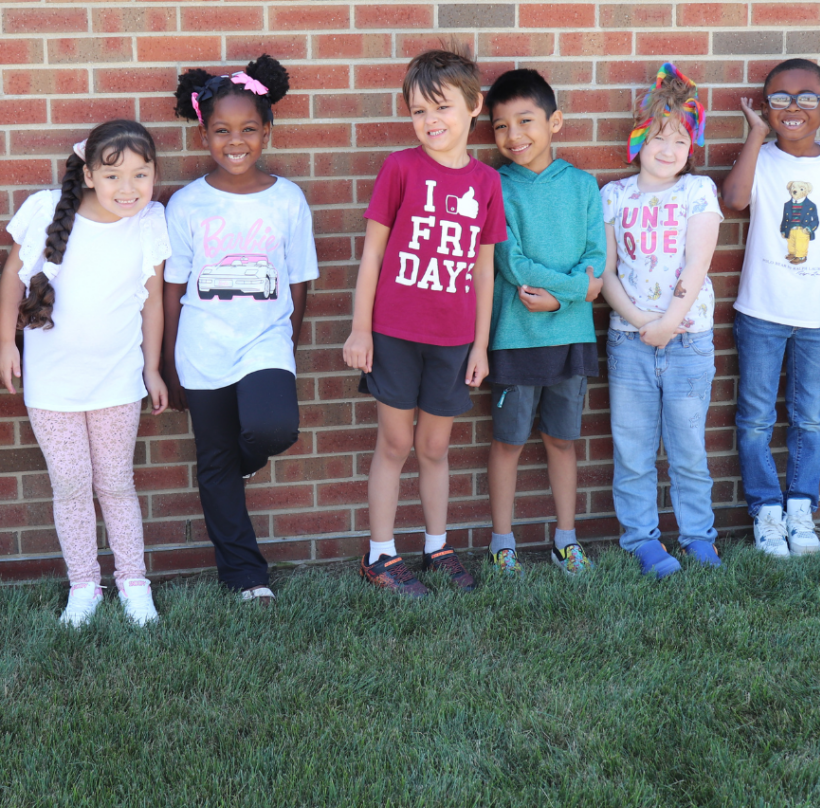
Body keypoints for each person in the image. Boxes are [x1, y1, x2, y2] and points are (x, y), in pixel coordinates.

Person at [343, 47, 506, 597]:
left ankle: (437, 545)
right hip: (394, 332)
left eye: (442, 108)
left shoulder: (486, 182)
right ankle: (380, 554)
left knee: (435, 446)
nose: (430, 122)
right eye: (418, 111)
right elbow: (372, 255)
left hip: (454, 338)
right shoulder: (401, 168)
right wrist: (360, 328)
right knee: (394, 443)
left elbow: (484, 271)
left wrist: (481, 346)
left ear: (474, 107)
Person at [0, 121, 170, 627]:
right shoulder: (47, 210)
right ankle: (83, 586)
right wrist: (5, 340)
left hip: (118, 379)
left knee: (116, 484)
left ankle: (134, 584)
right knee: (71, 484)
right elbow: (12, 276)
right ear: (90, 175)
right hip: (53, 386)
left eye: (141, 175)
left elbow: (153, 302)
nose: (129, 189)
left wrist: (154, 369)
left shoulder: (149, 222)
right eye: (114, 175)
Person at [164, 55, 318, 605]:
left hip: (265, 342)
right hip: (201, 349)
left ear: (267, 131)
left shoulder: (287, 199)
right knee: (214, 466)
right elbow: (172, 288)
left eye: (249, 129)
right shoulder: (185, 205)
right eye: (222, 131)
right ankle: (245, 575)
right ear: (203, 133)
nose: (236, 141)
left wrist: (287, 340)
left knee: (273, 427)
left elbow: (300, 282)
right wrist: (165, 363)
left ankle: (240, 461)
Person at [723, 58, 820, 557]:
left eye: (808, 98)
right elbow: (734, 200)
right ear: (765, 107)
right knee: (756, 417)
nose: (794, 107)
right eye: (780, 98)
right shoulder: (761, 157)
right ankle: (767, 511)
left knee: (809, 418)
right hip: (761, 312)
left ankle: (800, 508)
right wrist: (753, 135)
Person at [600, 63, 723, 577]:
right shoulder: (614, 196)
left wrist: (670, 322)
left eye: (679, 139)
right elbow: (605, 273)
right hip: (629, 343)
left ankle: (698, 536)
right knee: (633, 451)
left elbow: (697, 263)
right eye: (656, 137)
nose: (668, 150)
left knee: (688, 449)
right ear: (638, 140)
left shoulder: (698, 192)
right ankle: (642, 540)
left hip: (688, 341)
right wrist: (637, 320)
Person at [484, 69, 606, 577]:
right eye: (499, 126)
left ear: (555, 122)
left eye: (526, 121)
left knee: (562, 439)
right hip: (514, 335)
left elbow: (595, 259)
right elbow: (511, 264)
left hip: (570, 335)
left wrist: (562, 301)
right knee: (509, 441)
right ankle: (502, 541)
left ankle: (566, 539)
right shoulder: (493, 183)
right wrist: (578, 289)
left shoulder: (582, 185)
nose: (513, 136)